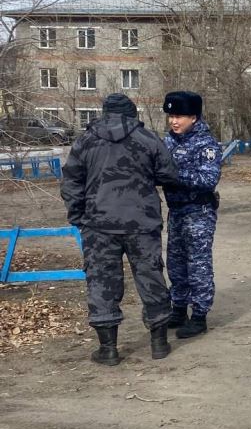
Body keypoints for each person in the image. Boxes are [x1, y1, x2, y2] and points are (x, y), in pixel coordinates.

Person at [60, 93, 178, 365]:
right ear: (133, 113)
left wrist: (78, 216)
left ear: (104, 113)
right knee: (151, 277)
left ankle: (109, 349)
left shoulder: (86, 141)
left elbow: (71, 182)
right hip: (142, 222)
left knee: (101, 280)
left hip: (99, 224)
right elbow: (169, 174)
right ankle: (159, 343)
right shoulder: (147, 139)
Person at [162, 91, 222, 339]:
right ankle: (178, 309)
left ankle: (199, 315)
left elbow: (208, 179)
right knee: (175, 263)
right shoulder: (168, 141)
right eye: (171, 116)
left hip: (198, 212)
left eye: (179, 116)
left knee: (198, 264)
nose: (174, 121)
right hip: (176, 212)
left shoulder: (206, 144)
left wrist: (173, 176)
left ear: (194, 118)